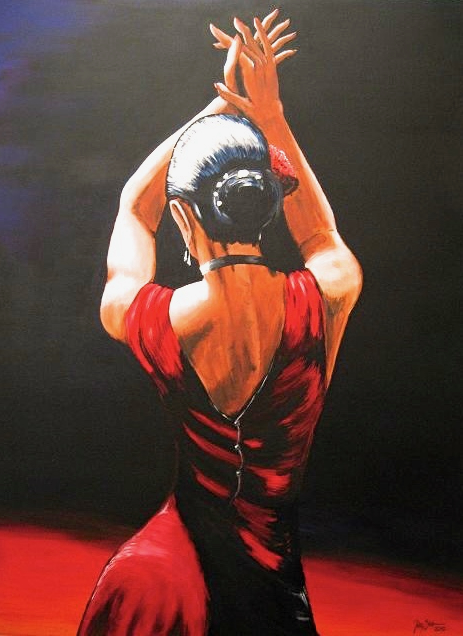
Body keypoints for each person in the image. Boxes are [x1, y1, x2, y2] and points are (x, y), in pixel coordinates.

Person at [78, 10, 362, 636]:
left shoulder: (151, 317)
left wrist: (222, 103)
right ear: (270, 204)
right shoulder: (328, 293)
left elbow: (134, 206)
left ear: (184, 217)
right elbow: (320, 234)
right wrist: (269, 115)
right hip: (273, 588)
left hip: (164, 579)